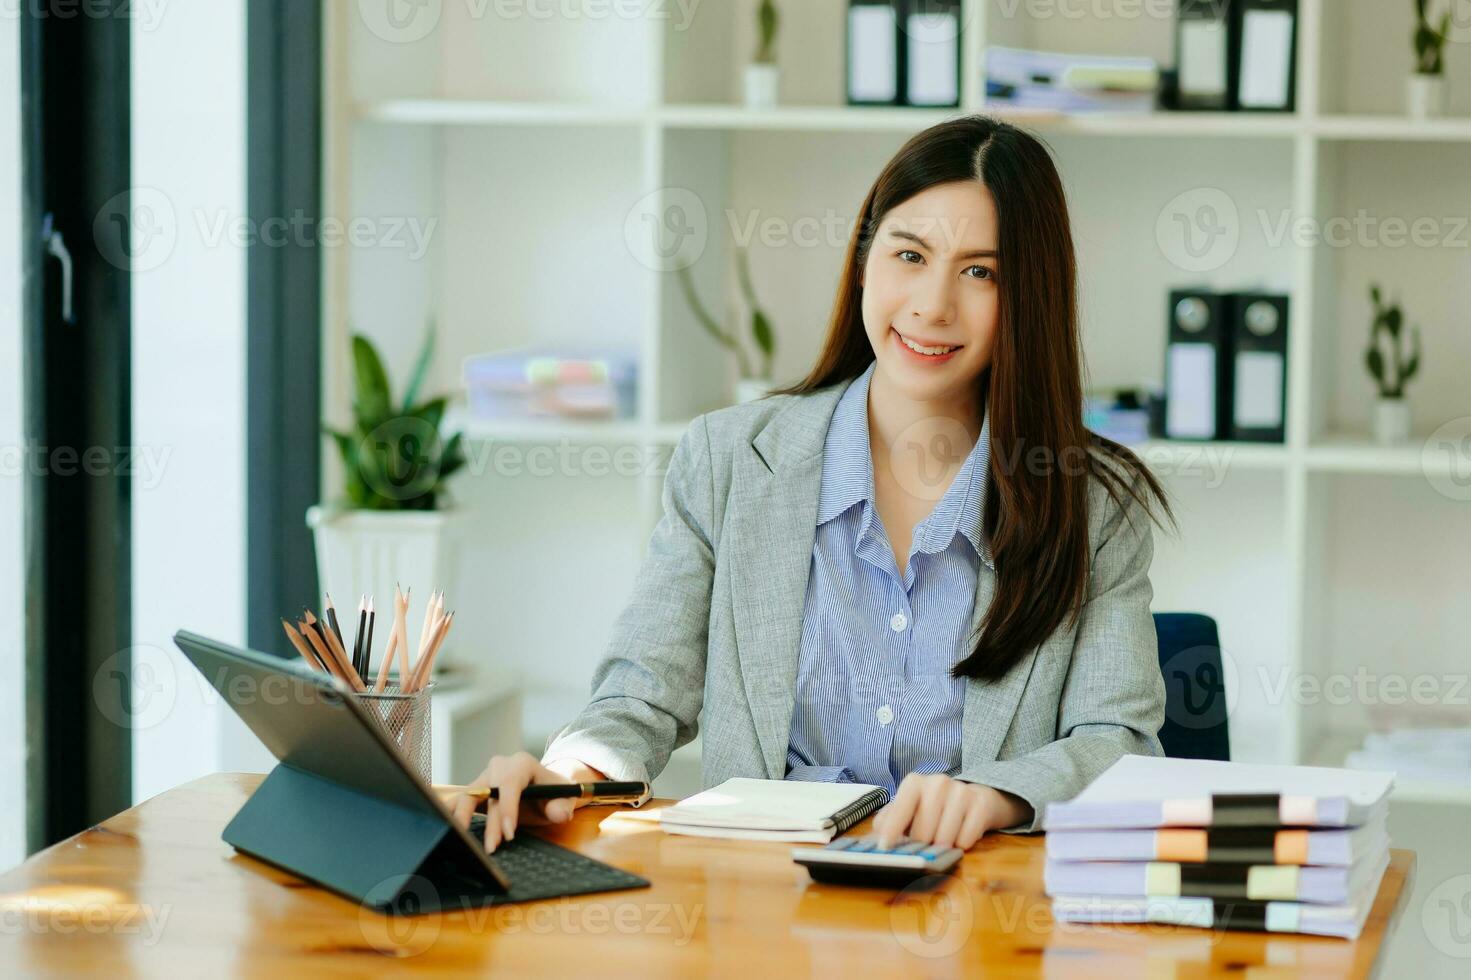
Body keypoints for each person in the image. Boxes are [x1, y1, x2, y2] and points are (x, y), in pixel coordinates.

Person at [453, 115, 1172, 854]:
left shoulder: (1092, 505)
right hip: (765, 906)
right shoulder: (727, 460)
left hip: (976, 913)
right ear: (864, 260)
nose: (931, 303)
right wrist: (567, 772)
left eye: (980, 271)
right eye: (909, 254)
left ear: (1029, 296)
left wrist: (994, 795)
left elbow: (1117, 744)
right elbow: (639, 700)